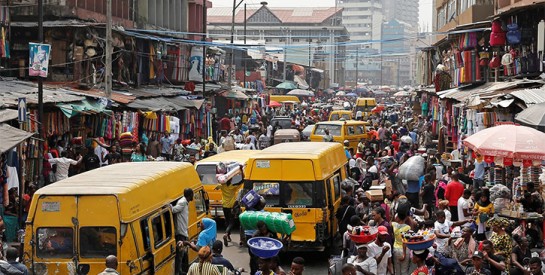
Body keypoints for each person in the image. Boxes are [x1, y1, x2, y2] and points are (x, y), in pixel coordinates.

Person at [173, 188, 193, 274]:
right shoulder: (182, 202)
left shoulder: (185, 202)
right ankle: (178, 272)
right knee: (180, 254)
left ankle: (180, 270)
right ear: (189, 195)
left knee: (182, 253)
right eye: (192, 194)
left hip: (183, 231)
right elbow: (173, 210)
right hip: (180, 232)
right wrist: (168, 205)